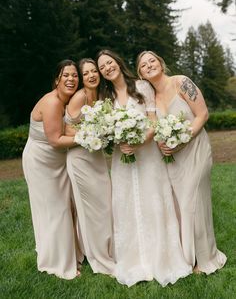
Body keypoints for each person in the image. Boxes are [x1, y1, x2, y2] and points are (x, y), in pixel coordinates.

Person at [96, 49, 192, 287]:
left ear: (118, 62)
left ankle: (161, 257)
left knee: (153, 200)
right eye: (102, 67)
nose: (107, 68)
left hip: (147, 154)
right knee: (126, 204)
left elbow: (153, 122)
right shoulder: (104, 98)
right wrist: (119, 140)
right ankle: (133, 259)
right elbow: (105, 129)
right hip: (123, 158)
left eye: (110, 63)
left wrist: (139, 142)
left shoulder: (142, 87)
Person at [136, 50, 227, 274]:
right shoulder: (151, 98)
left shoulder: (181, 82)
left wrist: (182, 140)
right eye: (144, 65)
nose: (149, 65)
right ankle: (187, 256)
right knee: (181, 206)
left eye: (152, 61)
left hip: (195, 150)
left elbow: (202, 115)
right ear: (140, 73)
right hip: (173, 159)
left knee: (192, 203)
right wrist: (163, 145)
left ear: (161, 62)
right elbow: (155, 129)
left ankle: (205, 259)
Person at [22, 59, 82, 279]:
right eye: (66, 75)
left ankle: (69, 254)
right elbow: (56, 140)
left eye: (75, 75)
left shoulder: (69, 102)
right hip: (41, 162)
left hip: (58, 161)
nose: (71, 79)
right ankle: (57, 263)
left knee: (66, 206)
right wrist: (87, 137)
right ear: (57, 79)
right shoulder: (53, 102)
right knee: (55, 210)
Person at [65, 58, 115, 276]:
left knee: (105, 204)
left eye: (94, 71)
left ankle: (106, 247)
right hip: (80, 159)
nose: (92, 75)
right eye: (86, 74)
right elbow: (67, 131)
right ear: (82, 78)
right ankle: (96, 254)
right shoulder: (79, 97)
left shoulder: (103, 96)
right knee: (90, 209)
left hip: (97, 157)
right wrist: (90, 135)